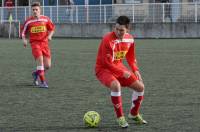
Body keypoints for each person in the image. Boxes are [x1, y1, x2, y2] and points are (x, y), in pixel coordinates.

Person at [95, 16, 147, 128]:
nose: (118, 32)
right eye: (116, 29)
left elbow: (131, 57)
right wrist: (121, 72)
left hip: (118, 67)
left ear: (128, 29)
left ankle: (133, 114)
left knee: (140, 87)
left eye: (121, 30)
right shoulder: (107, 40)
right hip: (103, 69)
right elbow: (107, 63)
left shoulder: (130, 39)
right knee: (116, 85)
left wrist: (135, 70)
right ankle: (120, 118)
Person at [21, 2, 55, 88]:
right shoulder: (28, 21)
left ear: (40, 10)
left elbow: (52, 29)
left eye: (36, 9)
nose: (35, 11)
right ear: (31, 11)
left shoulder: (46, 19)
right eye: (33, 10)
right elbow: (23, 33)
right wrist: (24, 40)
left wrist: (50, 36)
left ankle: (36, 74)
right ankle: (43, 82)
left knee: (47, 66)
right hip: (35, 44)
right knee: (40, 61)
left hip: (45, 44)